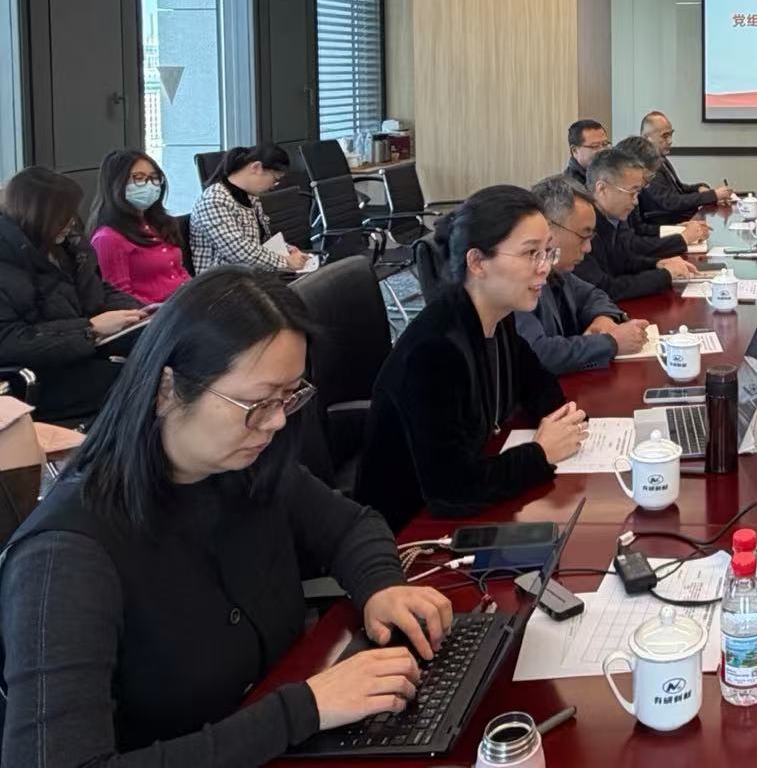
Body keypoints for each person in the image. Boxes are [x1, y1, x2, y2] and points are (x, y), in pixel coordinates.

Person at [0, 269, 453, 767]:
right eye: (256, 403)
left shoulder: (243, 465)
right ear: (168, 389)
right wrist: (302, 709)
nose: (276, 422)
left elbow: (349, 525)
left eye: (289, 396)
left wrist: (381, 585)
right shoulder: (65, 557)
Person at [355, 186, 590, 531]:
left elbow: (539, 387)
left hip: (471, 499)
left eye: (547, 252)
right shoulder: (434, 351)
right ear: (477, 262)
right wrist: (540, 454)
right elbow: (452, 491)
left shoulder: (497, 316)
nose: (545, 268)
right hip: (408, 530)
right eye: (531, 253)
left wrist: (561, 422)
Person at [0, 166, 147, 425]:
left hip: (79, 354)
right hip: (37, 375)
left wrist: (141, 312)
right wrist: (88, 330)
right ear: (39, 216)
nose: (70, 223)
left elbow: (96, 291)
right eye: (62, 217)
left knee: (163, 353)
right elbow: (10, 341)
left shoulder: (67, 247)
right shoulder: (8, 262)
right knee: (140, 382)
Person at [516, 176, 651, 373]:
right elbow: (538, 354)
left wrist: (603, 318)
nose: (588, 248)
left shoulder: (558, 271)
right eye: (583, 236)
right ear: (548, 228)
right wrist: (611, 342)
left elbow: (594, 294)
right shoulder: (517, 279)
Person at [573, 147, 697, 303]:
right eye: (632, 193)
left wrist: (658, 264)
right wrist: (664, 275)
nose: (636, 201)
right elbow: (606, 288)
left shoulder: (612, 217)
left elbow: (625, 260)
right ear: (602, 188)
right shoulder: (580, 227)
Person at [87, 149, 192, 305]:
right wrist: (166, 309)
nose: (149, 185)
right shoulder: (108, 238)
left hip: (183, 303)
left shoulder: (158, 223)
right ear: (116, 183)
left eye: (154, 178)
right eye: (138, 178)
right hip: (153, 314)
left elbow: (179, 271)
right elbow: (121, 298)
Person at [189, 145, 309, 273]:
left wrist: (288, 250)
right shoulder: (214, 200)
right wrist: (285, 262)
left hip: (249, 274)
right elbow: (238, 251)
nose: (273, 186)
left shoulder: (250, 197)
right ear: (256, 167)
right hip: (221, 280)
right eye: (275, 179)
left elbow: (261, 241)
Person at [615, 135, 710, 253]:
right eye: (647, 179)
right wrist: (682, 238)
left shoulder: (632, 193)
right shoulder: (620, 199)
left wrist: (676, 229)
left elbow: (639, 228)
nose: (647, 186)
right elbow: (631, 246)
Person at [636, 110, 732, 223]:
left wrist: (700, 189)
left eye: (671, 134)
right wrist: (713, 195)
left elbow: (679, 188)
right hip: (666, 223)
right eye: (665, 136)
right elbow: (671, 202)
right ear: (646, 137)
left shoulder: (660, 158)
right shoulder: (647, 165)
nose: (670, 141)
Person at [564, 118, 611, 188]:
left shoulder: (612, 175)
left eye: (605, 144)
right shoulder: (567, 187)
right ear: (574, 150)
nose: (602, 150)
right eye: (595, 146)